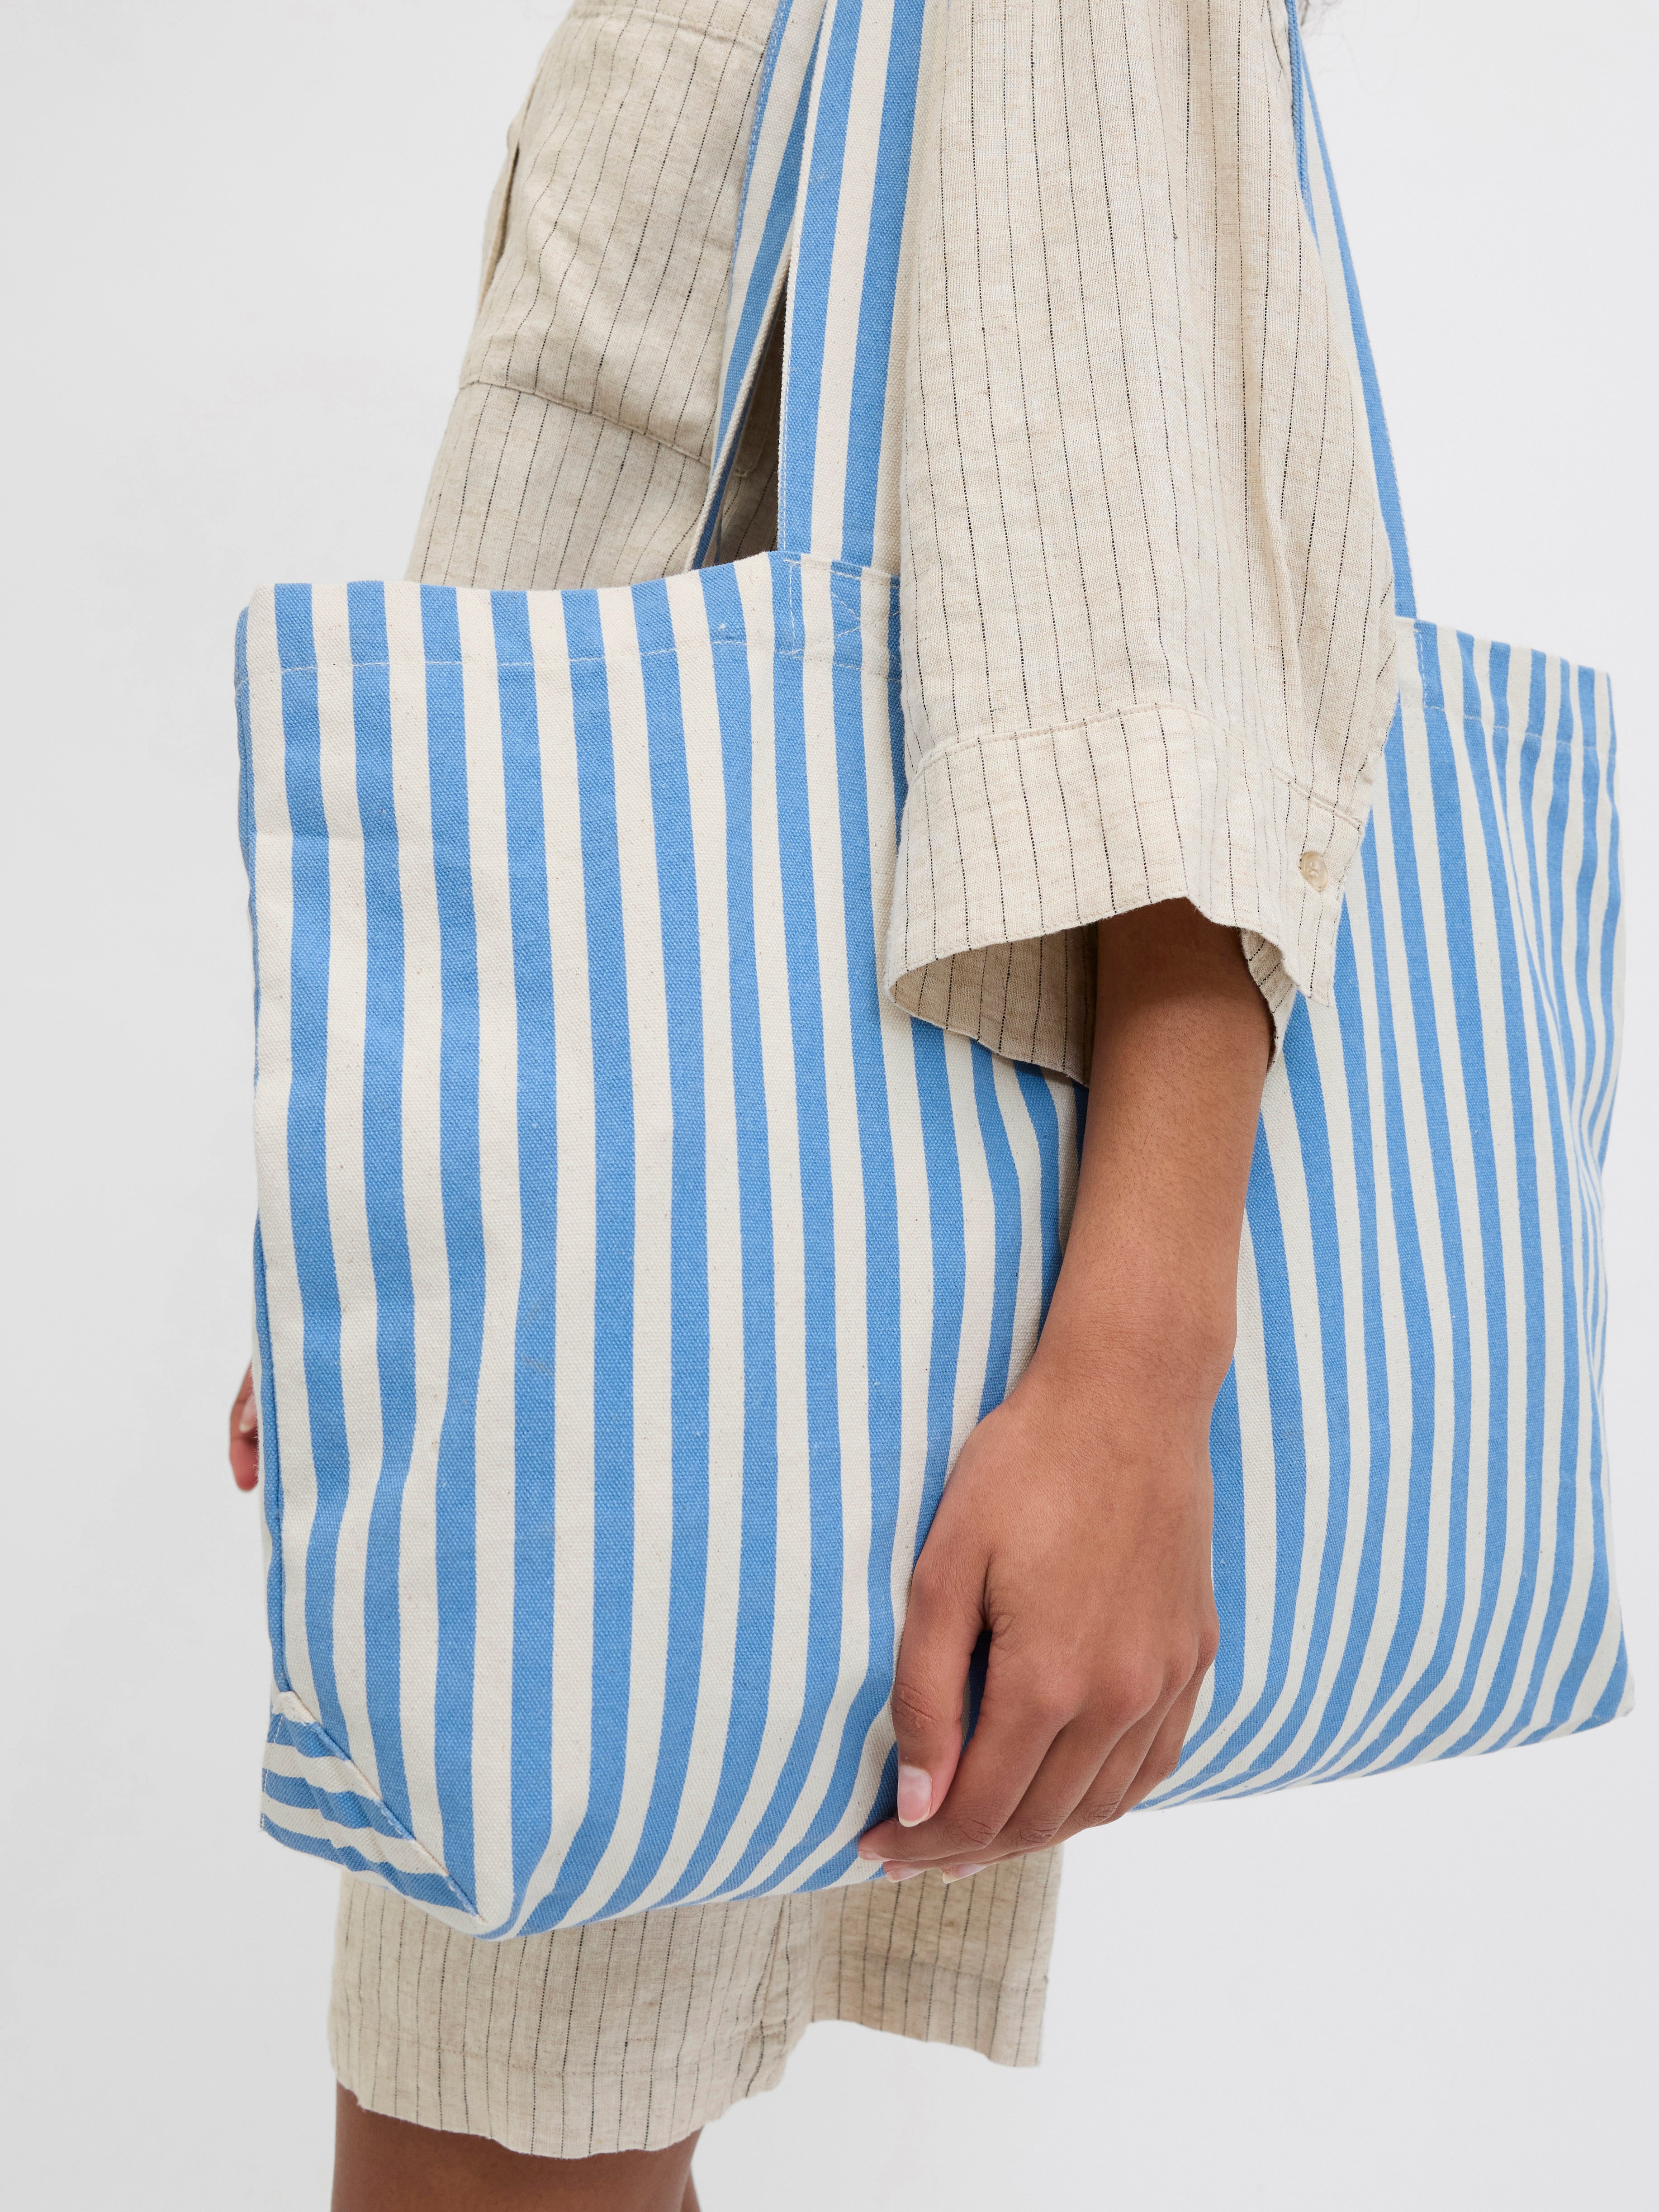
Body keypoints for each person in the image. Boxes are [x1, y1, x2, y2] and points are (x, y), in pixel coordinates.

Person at [229, 0, 1396, 2203]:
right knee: (515, 2125)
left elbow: (1166, 607)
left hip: (740, 1250)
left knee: (492, 2140)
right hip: (625, 1223)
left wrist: (1138, 1372)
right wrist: (400, 1200)